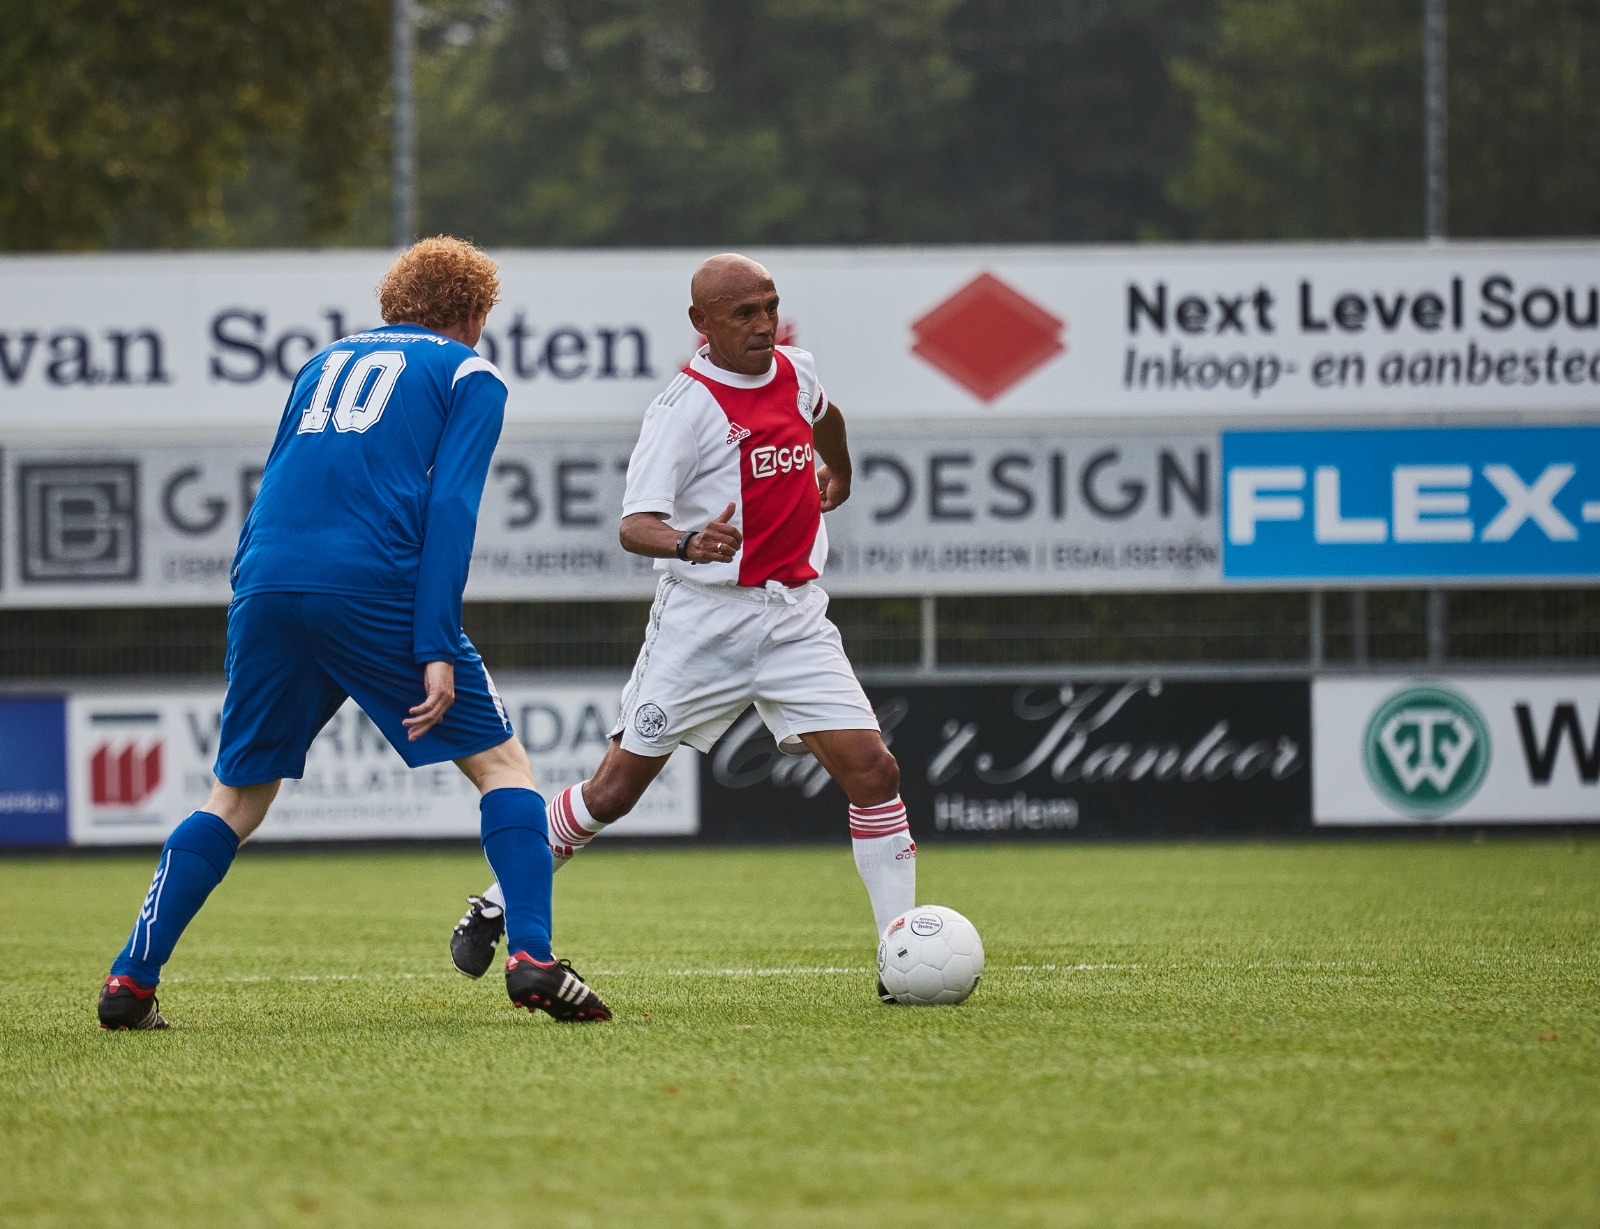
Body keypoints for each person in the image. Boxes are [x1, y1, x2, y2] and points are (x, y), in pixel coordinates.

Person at [97, 237, 610, 1030]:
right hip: (372, 587)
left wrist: (252, 590)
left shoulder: (324, 361)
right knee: (502, 763)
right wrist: (435, 640)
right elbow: (451, 509)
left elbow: (278, 473)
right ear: (473, 312)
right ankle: (533, 955)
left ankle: (131, 979)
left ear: (396, 301)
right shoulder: (469, 373)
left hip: (267, 580)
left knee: (234, 796)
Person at [450, 253, 916, 1002]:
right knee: (612, 792)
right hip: (704, 623)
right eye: (744, 313)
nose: (763, 323)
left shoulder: (795, 370)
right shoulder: (684, 408)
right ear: (702, 324)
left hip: (795, 616)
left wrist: (844, 472)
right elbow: (635, 524)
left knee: (875, 771)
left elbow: (827, 416)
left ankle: (902, 957)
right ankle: (495, 902)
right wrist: (690, 541)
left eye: (769, 307)